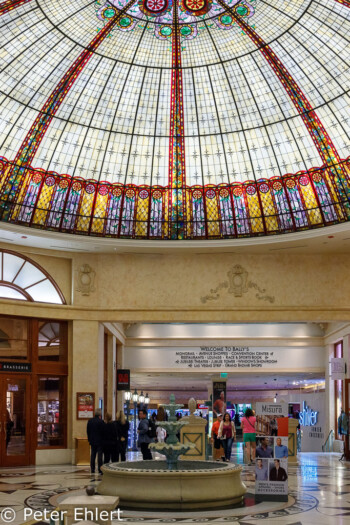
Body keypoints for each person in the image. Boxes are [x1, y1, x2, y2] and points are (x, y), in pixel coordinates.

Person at [87, 409, 105, 474]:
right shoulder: (101, 422)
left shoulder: (90, 421)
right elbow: (103, 432)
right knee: (100, 456)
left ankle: (92, 469)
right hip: (100, 441)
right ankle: (100, 469)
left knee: (93, 455)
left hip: (92, 441)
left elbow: (88, 431)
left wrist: (89, 439)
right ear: (100, 415)